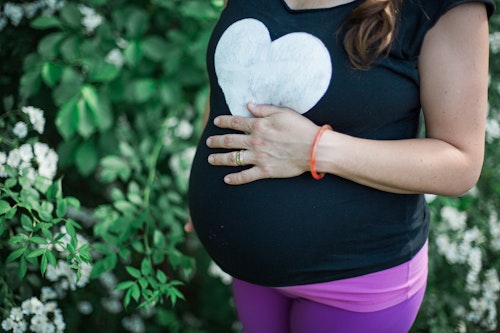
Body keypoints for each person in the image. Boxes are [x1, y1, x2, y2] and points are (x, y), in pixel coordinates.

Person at [187, 0, 495, 332]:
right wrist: (211, 178)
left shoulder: (441, 8)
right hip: (251, 273)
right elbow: (229, 77)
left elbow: (460, 163)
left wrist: (316, 149)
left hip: (353, 284)